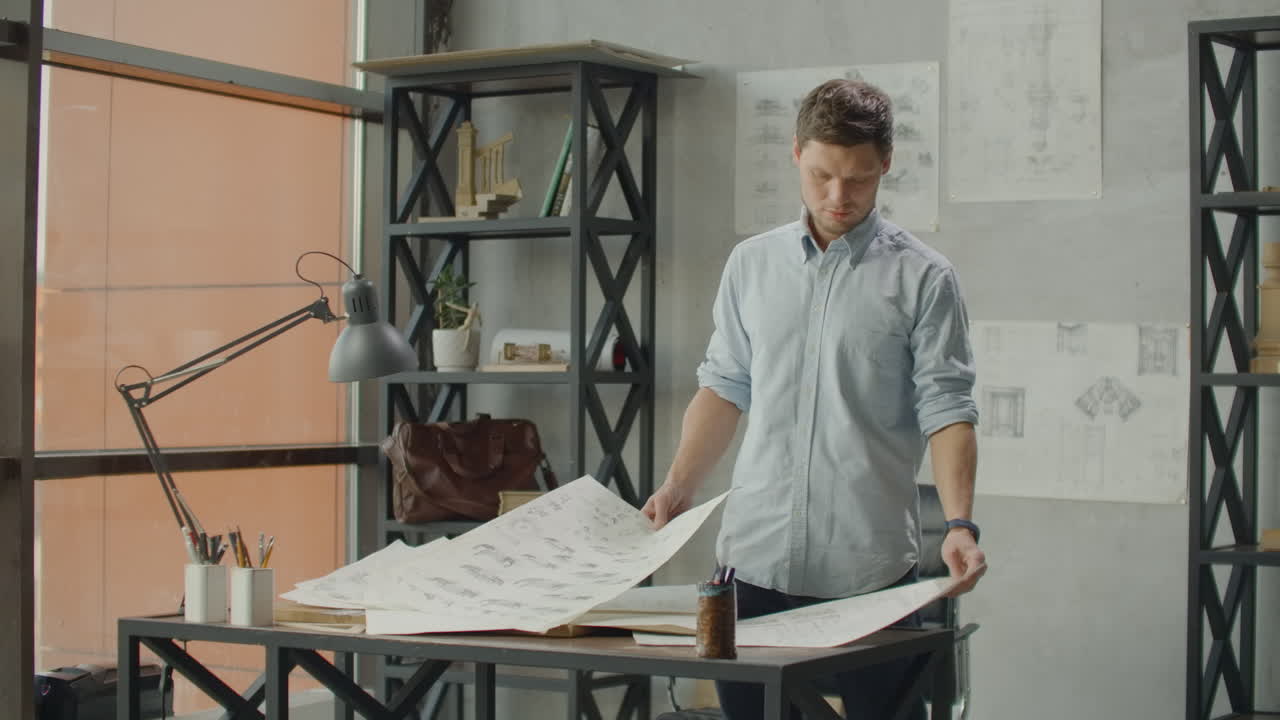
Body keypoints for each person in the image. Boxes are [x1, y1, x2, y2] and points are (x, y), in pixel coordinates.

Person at [642, 79, 987, 720]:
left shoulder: (924, 278)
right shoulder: (750, 265)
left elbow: (948, 410)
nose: (838, 197)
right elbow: (724, 386)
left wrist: (960, 524)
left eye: (858, 179)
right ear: (796, 153)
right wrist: (677, 486)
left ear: (886, 163)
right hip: (751, 567)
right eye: (822, 175)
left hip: (869, 575)